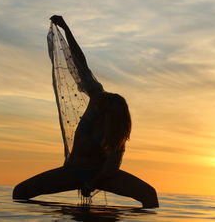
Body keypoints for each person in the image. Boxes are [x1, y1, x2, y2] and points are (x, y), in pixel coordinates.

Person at [12, 15, 159, 208]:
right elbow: (80, 64)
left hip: (102, 175)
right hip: (73, 170)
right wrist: (66, 29)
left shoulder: (117, 132)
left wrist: (93, 183)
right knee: (20, 192)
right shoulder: (97, 98)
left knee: (149, 195)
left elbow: (111, 168)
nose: (103, 109)